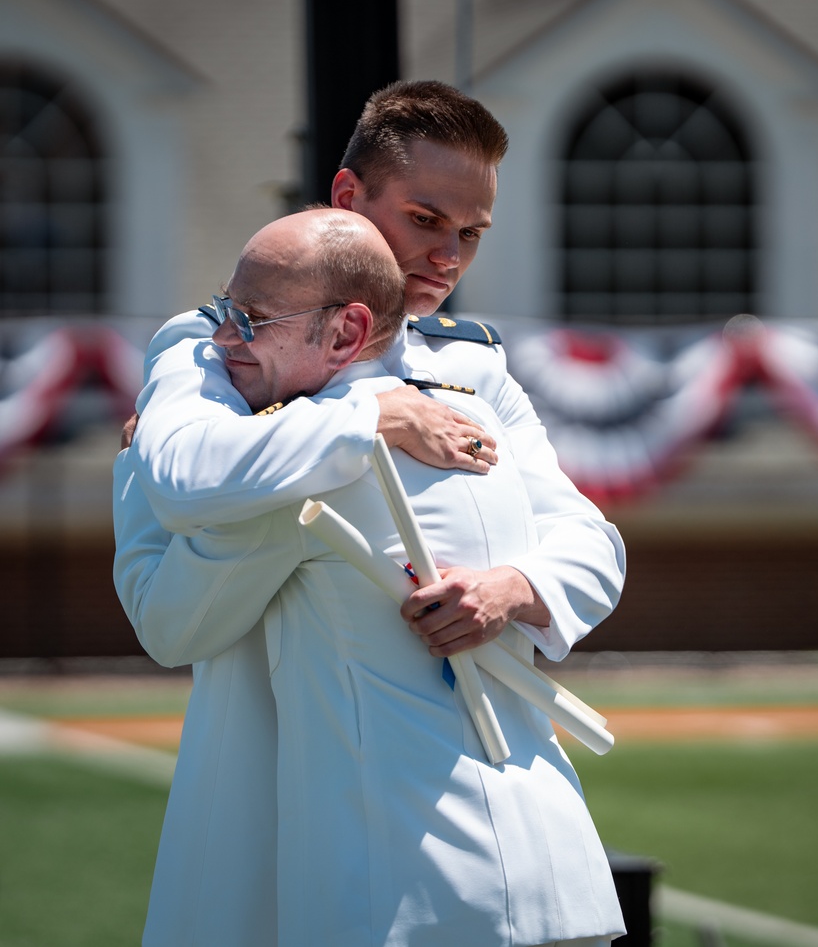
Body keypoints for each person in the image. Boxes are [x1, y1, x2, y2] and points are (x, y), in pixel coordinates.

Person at [114, 82, 626, 944]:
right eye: (427, 219)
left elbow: (588, 539)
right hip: (265, 762)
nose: (449, 256)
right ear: (349, 198)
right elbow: (182, 479)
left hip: (500, 802)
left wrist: (513, 587)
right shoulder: (223, 347)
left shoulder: (474, 368)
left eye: (470, 233)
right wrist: (372, 417)